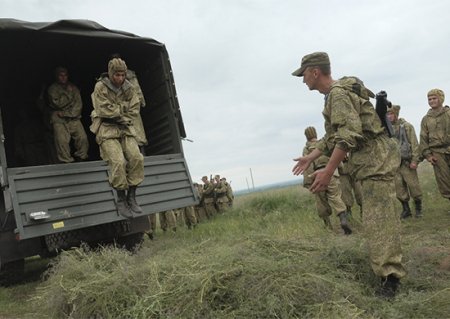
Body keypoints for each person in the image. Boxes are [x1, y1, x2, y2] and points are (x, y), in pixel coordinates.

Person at [291, 52, 406, 297]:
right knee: (376, 216)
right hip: (370, 161)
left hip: (375, 160)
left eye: (304, 75)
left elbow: (349, 134)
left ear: (315, 72)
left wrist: (328, 171)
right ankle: (388, 269)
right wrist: (313, 156)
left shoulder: (338, 95)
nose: (303, 81)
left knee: (379, 219)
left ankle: (391, 279)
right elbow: (335, 134)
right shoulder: (334, 95)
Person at [90, 58, 144, 219]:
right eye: (117, 75)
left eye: (122, 75)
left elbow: (135, 108)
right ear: (111, 74)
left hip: (125, 127)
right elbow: (104, 110)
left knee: (137, 158)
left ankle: (132, 196)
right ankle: (121, 198)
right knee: (118, 162)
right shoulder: (101, 87)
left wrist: (118, 113)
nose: (120, 78)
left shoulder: (129, 87)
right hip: (106, 128)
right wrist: (122, 111)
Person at [302, 126, 351, 233]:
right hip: (332, 173)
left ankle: (328, 226)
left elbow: (308, 166)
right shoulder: (324, 144)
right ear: (315, 134)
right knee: (335, 197)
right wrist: (341, 170)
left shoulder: (307, 149)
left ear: (306, 136)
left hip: (316, 176)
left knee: (321, 201)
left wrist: (308, 181)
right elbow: (335, 157)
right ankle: (343, 219)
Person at [387, 104, 423, 218]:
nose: (389, 116)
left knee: (414, 186)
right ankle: (406, 209)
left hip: (407, 162)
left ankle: (418, 209)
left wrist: (415, 161)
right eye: (387, 114)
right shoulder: (386, 129)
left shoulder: (407, 126)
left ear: (396, 114)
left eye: (391, 114)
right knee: (399, 188)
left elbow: (414, 144)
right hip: (394, 164)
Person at [47, 67, 89, 163]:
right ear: (56, 77)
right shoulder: (52, 89)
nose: (63, 77)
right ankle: (66, 161)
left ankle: (81, 158)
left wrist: (66, 113)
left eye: (65, 75)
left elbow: (78, 105)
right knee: (62, 141)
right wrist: (69, 94)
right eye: (60, 75)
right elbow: (57, 103)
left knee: (82, 138)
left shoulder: (74, 88)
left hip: (73, 117)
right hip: (59, 119)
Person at [419, 89, 450, 202]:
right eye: (429, 99)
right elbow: (423, 138)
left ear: (441, 98)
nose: (432, 101)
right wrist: (428, 155)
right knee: (445, 182)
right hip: (437, 154)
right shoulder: (426, 119)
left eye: (434, 98)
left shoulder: (448, 113)